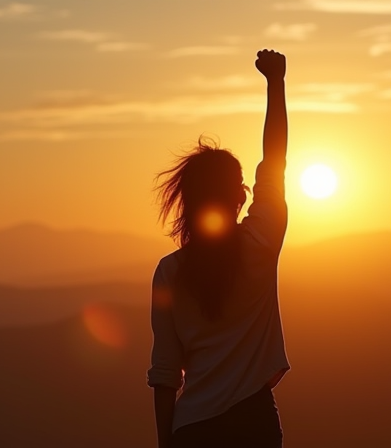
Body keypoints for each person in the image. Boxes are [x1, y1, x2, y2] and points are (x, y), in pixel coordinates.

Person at [147, 49, 289, 448]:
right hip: (254, 423)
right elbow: (274, 161)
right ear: (239, 197)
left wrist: (166, 443)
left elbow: (165, 371)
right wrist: (275, 83)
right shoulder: (261, 242)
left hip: (193, 430)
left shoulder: (170, 272)